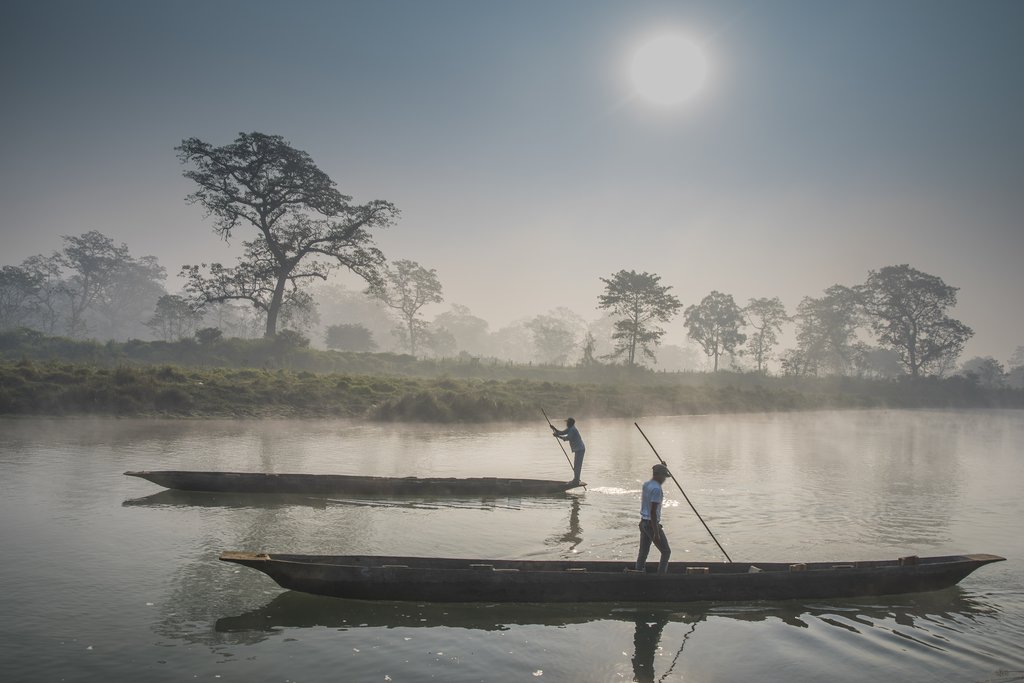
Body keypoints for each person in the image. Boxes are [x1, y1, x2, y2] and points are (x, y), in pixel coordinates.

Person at [636, 463, 671, 574]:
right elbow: (653, 512)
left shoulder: (647, 485)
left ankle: (638, 573)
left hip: (643, 523)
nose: (664, 479)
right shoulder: (657, 489)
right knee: (666, 552)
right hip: (651, 525)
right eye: (664, 476)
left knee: (643, 553)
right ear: (658, 475)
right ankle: (661, 576)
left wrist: (663, 466)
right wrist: (656, 532)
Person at [551, 417, 585, 486]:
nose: (566, 424)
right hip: (578, 449)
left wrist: (557, 436)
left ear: (569, 423)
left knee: (577, 465)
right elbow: (562, 432)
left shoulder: (572, 430)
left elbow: (567, 438)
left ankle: (576, 480)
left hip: (580, 449)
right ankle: (576, 479)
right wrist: (554, 429)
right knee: (576, 465)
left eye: (567, 422)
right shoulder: (570, 428)